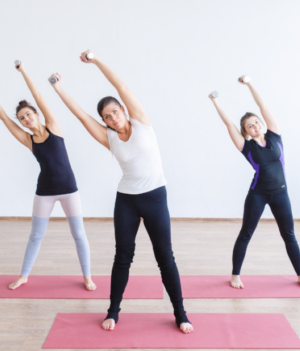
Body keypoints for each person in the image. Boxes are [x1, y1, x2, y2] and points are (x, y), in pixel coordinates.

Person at [49, 50, 193, 333]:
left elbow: (121, 87)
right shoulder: (108, 138)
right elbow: (80, 115)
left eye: (115, 111)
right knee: (122, 257)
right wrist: (58, 88)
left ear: (124, 110)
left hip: (155, 197)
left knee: (165, 257)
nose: (113, 118)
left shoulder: (140, 122)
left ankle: (180, 312)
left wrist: (97, 61)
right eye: (106, 116)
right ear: (104, 121)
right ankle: (113, 311)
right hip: (126, 200)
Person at [0, 61, 96, 291]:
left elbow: (38, 95)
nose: (26, 119)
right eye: (22, 118)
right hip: (44, 192)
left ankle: (87, 277)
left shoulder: (53, 126)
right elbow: (5, 118)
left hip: (69, 190)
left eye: (28, 114)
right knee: (35, 236)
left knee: (79, 234)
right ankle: (24, 275)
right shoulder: (27, 140)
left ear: (36, 114)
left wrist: (23, 70)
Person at [208, 75, 300, 290]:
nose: (255, 125)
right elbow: (228, 123)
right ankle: (235, 275)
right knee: (246, 233)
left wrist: (249, 84)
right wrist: (215, 101)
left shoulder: (275, 135)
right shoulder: (246, 147)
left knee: (289, 234)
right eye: (250, 126)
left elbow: (262, 105)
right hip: (258, 194)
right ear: (245, 132)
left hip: (281, 194)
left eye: (257, 122)